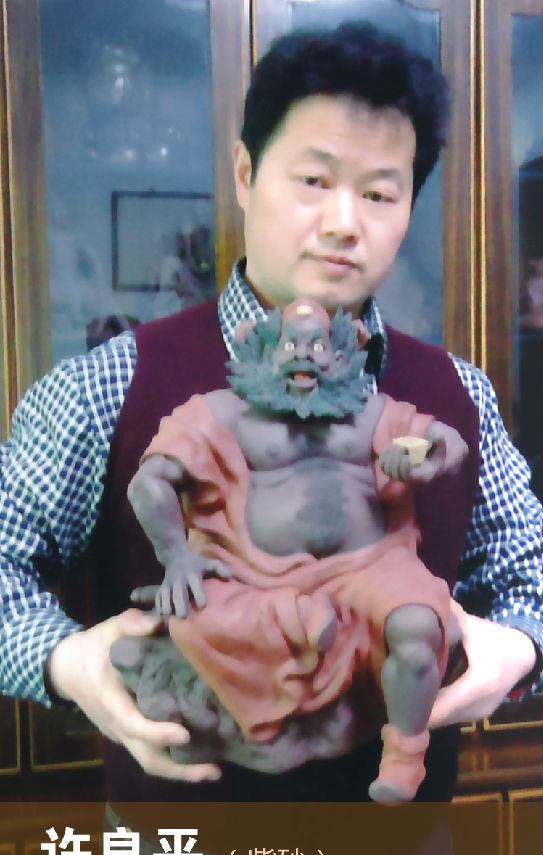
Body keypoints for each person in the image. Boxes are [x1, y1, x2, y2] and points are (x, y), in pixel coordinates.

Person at [0, 18, 541, 855]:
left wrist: (520, 645)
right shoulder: (111, 384)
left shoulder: (457, 394)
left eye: (379, 193)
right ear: (246, 175)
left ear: (409, 207)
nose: (342, 223)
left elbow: (531, 569)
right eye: (314, 180)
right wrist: (67, 664)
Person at [121, 297, 469, 804]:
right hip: (255, 577)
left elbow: (446, 440)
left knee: (418, 627)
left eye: (317, 347)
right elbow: (149, 484)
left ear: (344, 354)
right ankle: (303, 622)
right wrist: (176, 556)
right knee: (197, 620)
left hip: (371, 568)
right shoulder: (219, 414)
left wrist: (430, 456)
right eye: (290, 346)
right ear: (262, 350)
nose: (304, 356)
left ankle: (405, 756)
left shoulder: (373, 413)